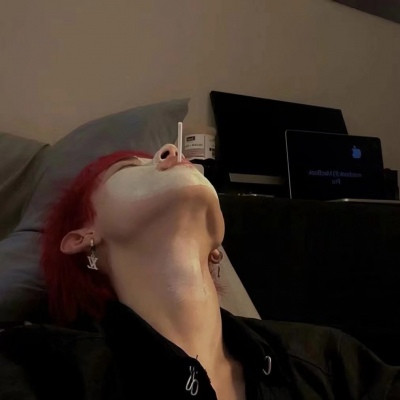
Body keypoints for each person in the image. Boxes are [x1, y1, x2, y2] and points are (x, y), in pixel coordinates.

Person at [0, 143, 399, 400]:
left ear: (217, 246)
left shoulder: (327, 358)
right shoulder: (40, 368)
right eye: (127, 167)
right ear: (81, 237)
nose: (172, 152)